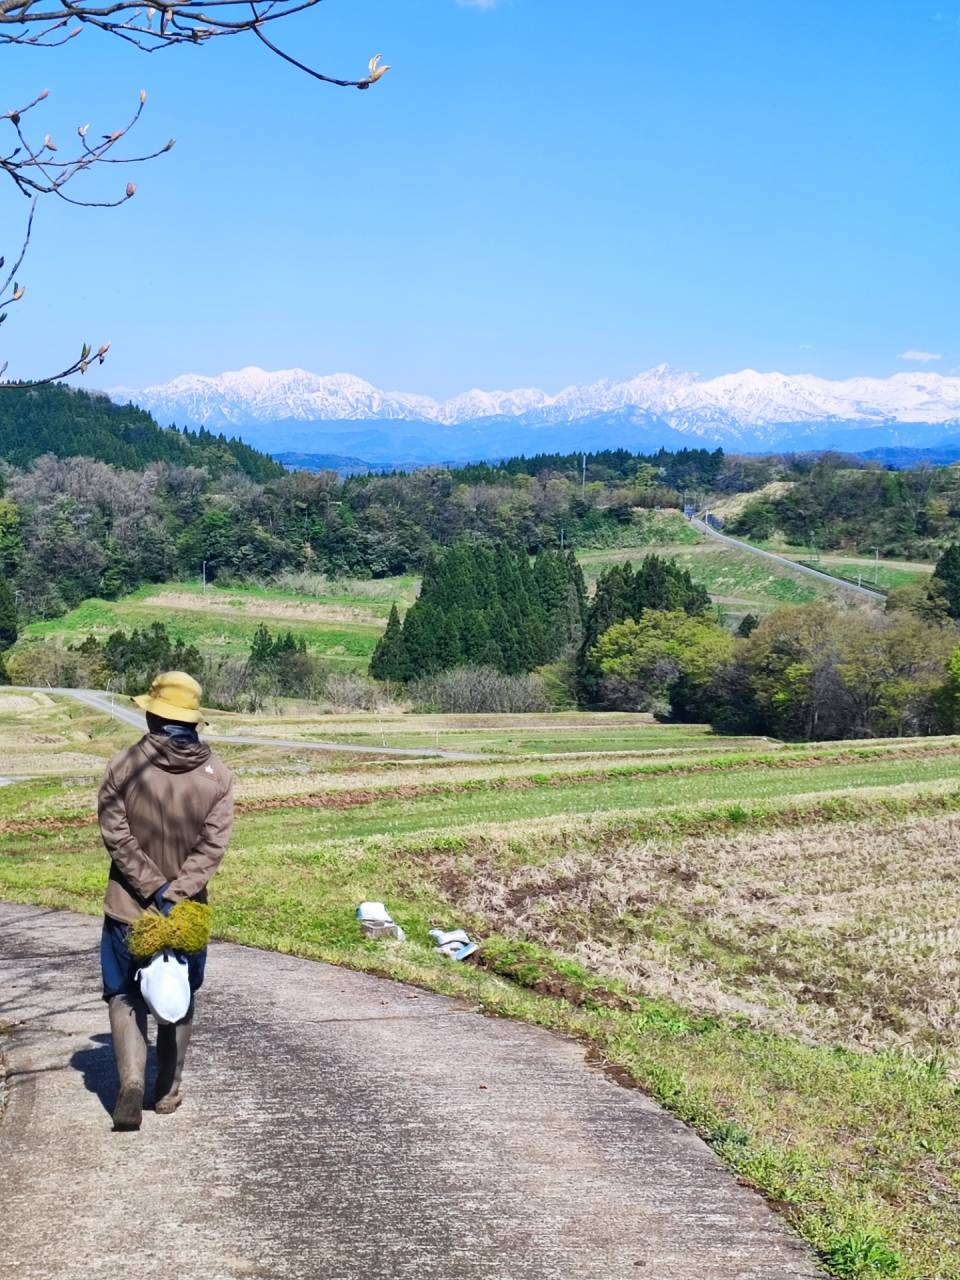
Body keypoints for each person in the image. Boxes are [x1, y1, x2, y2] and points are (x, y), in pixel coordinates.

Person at [97, 670, 234, 1131]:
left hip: (127, 908)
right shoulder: (218, 777)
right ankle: (169, 1088)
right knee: (180, 995)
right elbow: (212, 847)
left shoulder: (124, 765)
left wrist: (151, 887)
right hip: (187, 912)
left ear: (153, 714)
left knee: (124, 994)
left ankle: (131, 1082)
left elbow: (114, 833)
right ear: (194, 720)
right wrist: (176, 892)